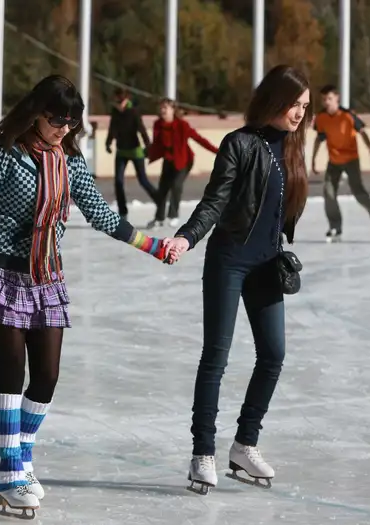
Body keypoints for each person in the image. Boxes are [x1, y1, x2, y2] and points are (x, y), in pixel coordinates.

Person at [0, 75, 174, 518]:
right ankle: (11, 473)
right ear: (37, 112)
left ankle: (19, 456)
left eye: (71, 123)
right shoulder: (4, 156)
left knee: (46, 377)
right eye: (56, 120)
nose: (64, 130)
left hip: (46, 278)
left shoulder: (70, 163)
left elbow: (104, 216)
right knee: (13, 372)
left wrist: (154, 246)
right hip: (2, 275)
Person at [166, 65, 311, 495]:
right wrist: (187, 238)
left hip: (267, 263)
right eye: (294, 105)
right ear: (273, 100)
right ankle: (203, 452)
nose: (300, 114)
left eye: (305, 107)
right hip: (230, 260)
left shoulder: (293, 147)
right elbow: (216, 201)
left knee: (274, 354)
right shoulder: (240, 143)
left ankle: (245, 443)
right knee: (217, 356)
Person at [311, 84, 370, 242]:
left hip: (351, 159)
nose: (327, 102)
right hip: (334, 161)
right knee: (328, 192)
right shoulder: (321, 118)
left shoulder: (347, 115)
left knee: (358, 193)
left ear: (337, 99)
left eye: (330, 99)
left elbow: (363, 132)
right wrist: (313, 160)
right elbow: (319, 138)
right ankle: (335, 227)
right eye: (324, 99)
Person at [147, 99, 218, 229]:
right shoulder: (158, 124)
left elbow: (199, 139)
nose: (163, 110)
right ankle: (159, 218)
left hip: (184, 161)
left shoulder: (182, 125)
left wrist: (218, 151)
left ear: (173, 110)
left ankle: (173, 216)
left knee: (176, 185)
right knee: (162, 189)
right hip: (169, 160)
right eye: (161, 107)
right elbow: (156, 143)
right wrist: (148, 153)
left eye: (166, 108)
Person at [106, 88, 158, 218]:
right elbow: (112, 128)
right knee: (118, 181)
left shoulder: (133, 111)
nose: (119, 105)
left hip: (135, 150)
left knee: (143, 180)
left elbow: (141, 129)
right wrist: (108, 143)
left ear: (126, 100)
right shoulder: (115, 112)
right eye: (117, 102)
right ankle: (122, 211)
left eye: (121, 102)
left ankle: (160, 202)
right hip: (121, 151)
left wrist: (148, 147)